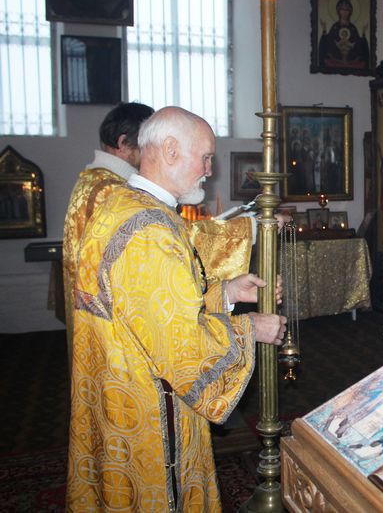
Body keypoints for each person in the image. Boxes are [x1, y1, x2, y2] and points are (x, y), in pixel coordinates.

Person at [66, 107, 287, 512]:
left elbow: (149, 306)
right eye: (204, 157)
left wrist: (225, 293)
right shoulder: (149, 229)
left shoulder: (123, 206)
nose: (208, 169)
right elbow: (178, 345)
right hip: (150, 410)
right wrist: (248, 329)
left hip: (119, 392)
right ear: (169, 150)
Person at [62, 102, 154, 371]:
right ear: (123, 142)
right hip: (111, 325)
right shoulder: (110, 191)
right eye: (147, 144)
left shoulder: (95, 181)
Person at [318, 0, 370, 70]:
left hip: (351, 58)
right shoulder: (335, 26)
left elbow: (358, 44)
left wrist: (362, 35)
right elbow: (329, 42)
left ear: (350, 12)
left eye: (347, 10)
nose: (344, 12)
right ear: (338, 11)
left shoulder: (352, 28)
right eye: (342, 10)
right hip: (336, 58)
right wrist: (324, 30)